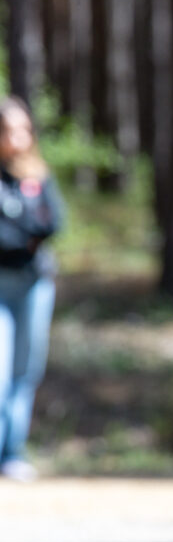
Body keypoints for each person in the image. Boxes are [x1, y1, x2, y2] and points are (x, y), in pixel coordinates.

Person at [0, 98, 64, 482]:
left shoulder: (38, 176)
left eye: (23, 129)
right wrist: (21, 237)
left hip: (35, 285)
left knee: (25, 370)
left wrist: (22, 236)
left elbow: (53, 222)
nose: (16, 138)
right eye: (8, 130)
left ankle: (13, 452)